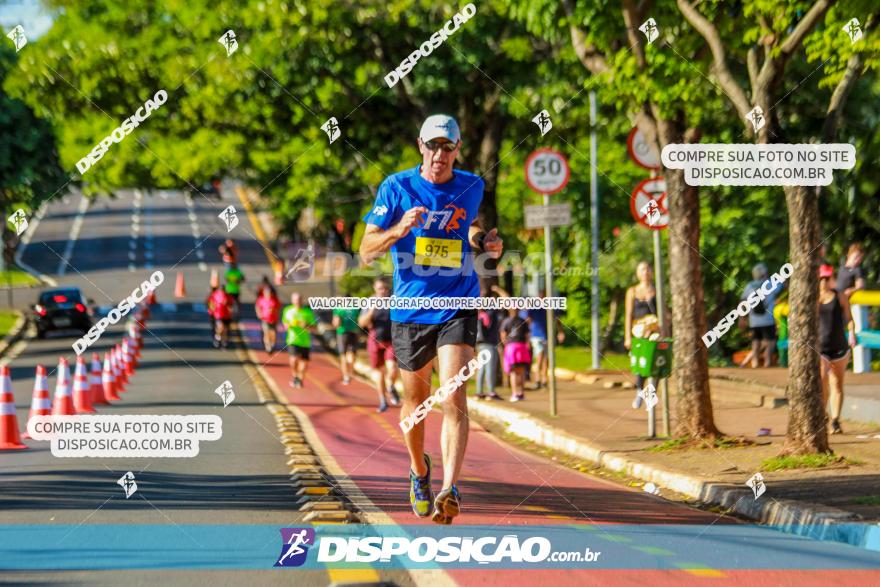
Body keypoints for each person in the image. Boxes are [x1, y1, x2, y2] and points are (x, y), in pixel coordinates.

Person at [358, 114, 503, 525]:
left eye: (448, 147)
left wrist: (484, 241)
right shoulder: (397, 187)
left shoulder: (472, 186)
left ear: (458, 150)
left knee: (455, 394)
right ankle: (420, 471)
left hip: (457, 302)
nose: (440, 154)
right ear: (420, 146)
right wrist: (398, 228)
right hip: (410, 309)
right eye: (433, 146)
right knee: (415, 405)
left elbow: (468, 228)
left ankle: (449, 489)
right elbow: (366, 249)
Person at [818, 264, 857, 435]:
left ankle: (835, 420)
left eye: (827, 278)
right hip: (821, 348)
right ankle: (822, 414)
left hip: (839, 346)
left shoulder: (839, 296)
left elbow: (849, 318)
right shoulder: (812, 299)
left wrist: (852, 333)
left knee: (837, 384)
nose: (825, 282)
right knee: (822, 380)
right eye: (822, 278)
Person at [358, 277, 401, 412]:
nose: (382, 291)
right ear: (375, 289)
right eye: (379, 289)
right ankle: (383, 400)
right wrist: (371, 310)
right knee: (379, 373)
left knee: (393, 369)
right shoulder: (370, 302)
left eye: (385, 288)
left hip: (392, 341)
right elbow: (361, 323)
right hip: (375, 341)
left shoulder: (394, 301)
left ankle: (391, 386)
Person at [624, 261, 661, 408]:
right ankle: (640, 391)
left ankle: (651, 394)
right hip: (638, 331)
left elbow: (662, 312)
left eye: (647, 269)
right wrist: (627, 336)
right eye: (642, 269)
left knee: (657, 361)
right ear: (638, 273)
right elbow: (628, 314)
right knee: (641, 363)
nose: (645, 272)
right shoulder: (632, 291)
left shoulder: (656, 291)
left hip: (653, 330)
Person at [740, 262, 784, 368]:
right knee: (771, 342)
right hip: (768, 320)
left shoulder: (749, 286)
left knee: (756, 342)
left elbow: (742, 302)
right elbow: (784, 285)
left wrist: (742, 319)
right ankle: (767, 362)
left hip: (753, 321)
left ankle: (755, 363)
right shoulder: (770, 284)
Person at [520, 289, 565, 390]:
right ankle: (537, 380)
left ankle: (544, 380)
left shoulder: (551, 307)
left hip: (548, 336)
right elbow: (527, 319)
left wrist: (560, 332)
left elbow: (557, 320)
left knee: (547, 359)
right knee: (540, 357)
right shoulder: (534, 308)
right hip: (537, 336)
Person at [475, 284, 506, 400]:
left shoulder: (480, 314)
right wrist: (498, 290)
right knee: (490, 368)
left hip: (480, 344)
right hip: (489, 344)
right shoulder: (492, 313)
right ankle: (491, 392)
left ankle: (479, 392)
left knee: (482, 368)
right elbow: (507, 301)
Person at [281, 293, 317, 388]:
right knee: (293, 359)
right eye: (296, 300)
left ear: (302, 300)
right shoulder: (287, 310)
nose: (298, 301)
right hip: (293, 340)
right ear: (292, 301)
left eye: (299, 299)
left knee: (304, 363)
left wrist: (306, 325)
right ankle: (295, 376)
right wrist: (288, 325)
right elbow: (284, 324)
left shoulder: (307, 312)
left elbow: (314, 328)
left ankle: (300, 379)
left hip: (305, 341)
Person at [501, 308, 531, 402]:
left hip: (514, 347)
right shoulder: (521, 321)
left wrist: (506, 345)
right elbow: (527, 336)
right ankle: (518, 393)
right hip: (517, 347)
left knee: (516, 372)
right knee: (518, 371)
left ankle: (517, 393)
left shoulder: (507, 321)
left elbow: (503, 335)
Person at [332, 297, 361, 385]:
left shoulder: (338, 308)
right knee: (352, 353)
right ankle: (351, 369)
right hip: (354, 332)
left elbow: (336, 323)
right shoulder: (355, 308)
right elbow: (358, 321)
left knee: (343, 355)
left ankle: (346, 376)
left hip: (342, 333)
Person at [255, 283, 282, 353]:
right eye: (266, 293)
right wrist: (259, 314)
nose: (268, 294)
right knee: (266, 332)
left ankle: (272, 344)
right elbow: (257, 307)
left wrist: (274, 311)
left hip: (274, 319)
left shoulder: (275, 300)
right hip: (265, 319)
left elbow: (278, 308)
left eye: (269, 293)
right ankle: (268, 346)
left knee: (273, 333)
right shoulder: (261, 299)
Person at [207, 284, 233, 349]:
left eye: (223, 290)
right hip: (218, 315)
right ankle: (217, 339)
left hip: (227, 315)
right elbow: (211, 302)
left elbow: (231, 304)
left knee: (225, 330)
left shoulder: (228, 296)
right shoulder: (215, 295)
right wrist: (211, 311)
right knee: (220, 327)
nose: (222, 291)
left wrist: (229, 308)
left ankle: (224, 342)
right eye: (221, 290)